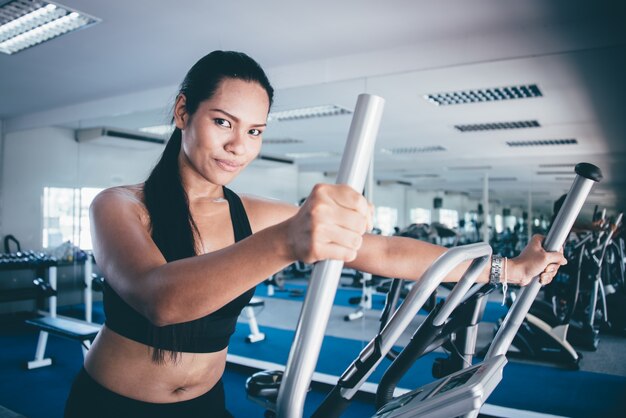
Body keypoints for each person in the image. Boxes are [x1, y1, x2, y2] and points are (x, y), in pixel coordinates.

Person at [64, 50, 567, 418]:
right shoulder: (120, 206)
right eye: (224, 122)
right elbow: (161, 300)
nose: (239, 146)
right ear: (182, 113)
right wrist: (288, 240)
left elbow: (386, 250)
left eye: (256, 131)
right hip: (112, 406)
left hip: (205, 405)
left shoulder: (253, 213)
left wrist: (510, 269)